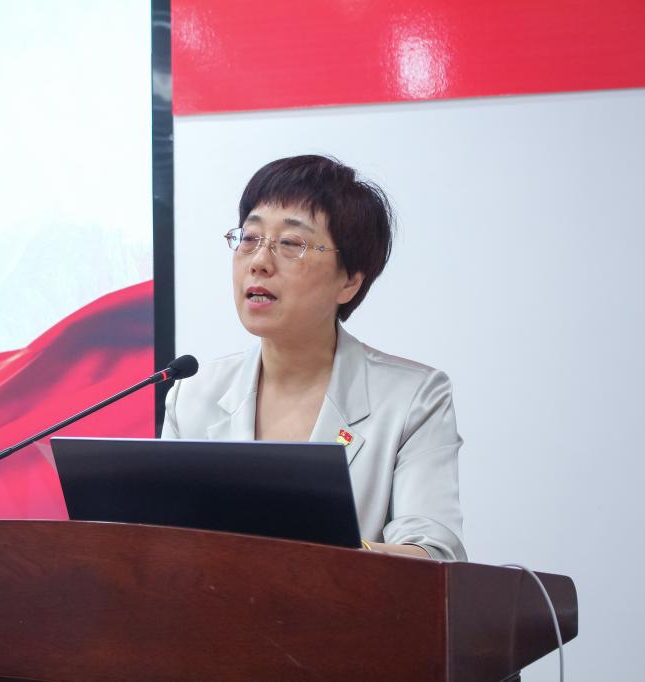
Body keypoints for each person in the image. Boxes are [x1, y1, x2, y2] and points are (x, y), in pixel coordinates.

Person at [162, 155, 466, 561]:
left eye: (291, 244)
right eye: (249, 238)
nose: (259, 262)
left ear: (349, 281)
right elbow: (165, 546)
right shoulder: (193, 395)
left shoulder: (413, 399)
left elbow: (435, 556)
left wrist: (310, 551)